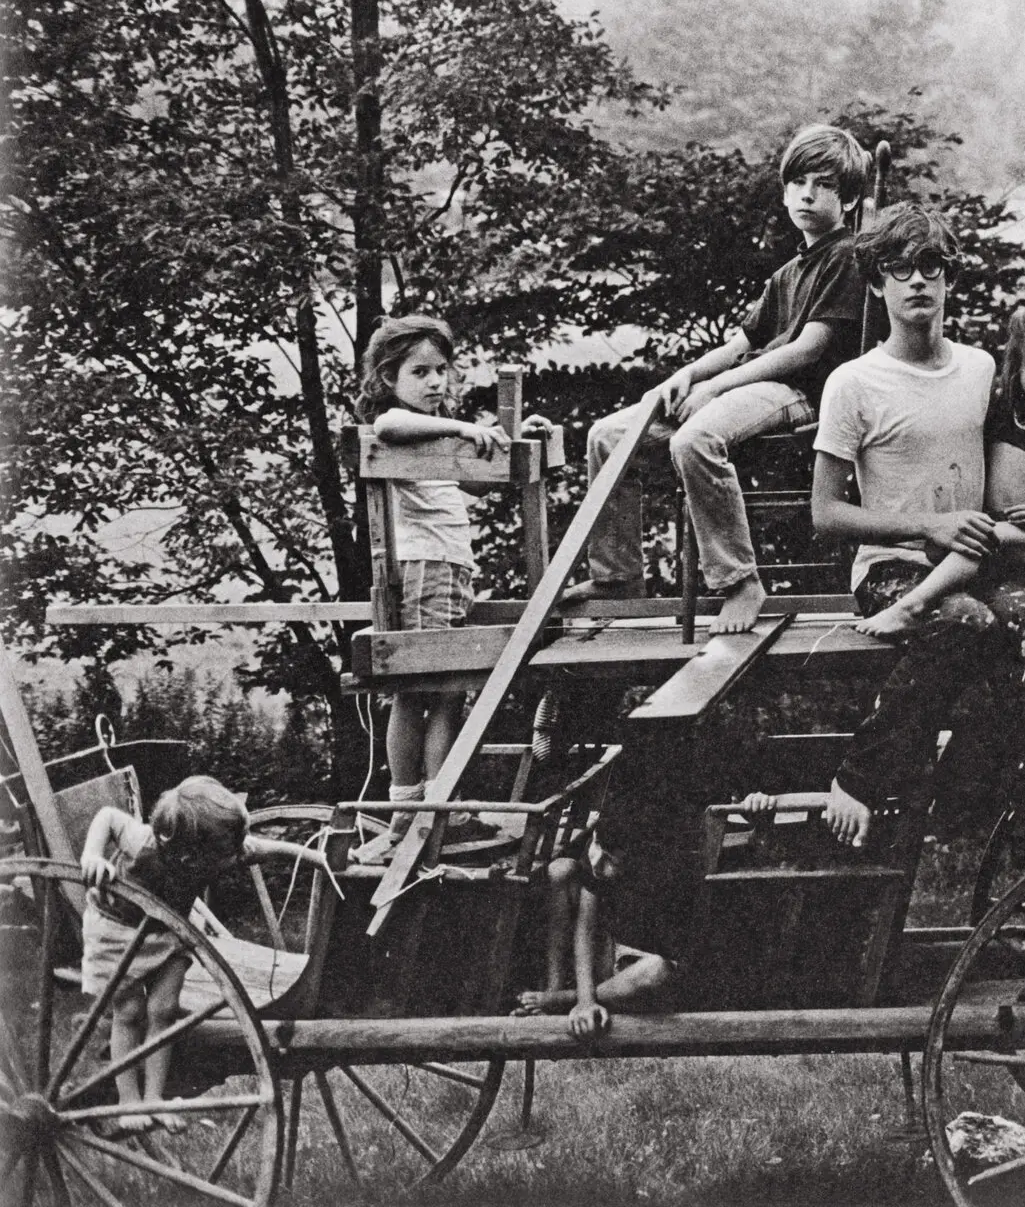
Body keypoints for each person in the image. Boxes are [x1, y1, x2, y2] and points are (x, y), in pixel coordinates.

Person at [809, 204, 1025, 849]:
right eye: (899, 268)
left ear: (949, 279)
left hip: (985, 561)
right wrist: (926, 525)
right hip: (891, 568)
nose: (918, 281)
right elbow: (826, 514)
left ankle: (961, 809)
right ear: (877, 282)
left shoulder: (979, 370)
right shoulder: (853, 383)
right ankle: (859, 778)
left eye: (932, 266)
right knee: (969, 624)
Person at [568, 123, 872, 636]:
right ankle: (617, 577)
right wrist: (682, 378)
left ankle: (739, 582)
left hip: (802, 395)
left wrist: (716, 388)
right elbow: (739, 346)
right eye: (798, 182)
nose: (807, 193)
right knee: (610, 435)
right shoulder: (787, 273)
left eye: (823, 184)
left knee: (696, 437)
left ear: (849, 197)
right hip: (754, 388)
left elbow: (807, 349)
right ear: (783, 191)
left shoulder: (848, 255)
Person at [352, 314, 549, 864]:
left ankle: (428, 809)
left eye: (443, 370)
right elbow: (389, 426)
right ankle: (428, 812)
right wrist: (462, 429)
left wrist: (511, 440)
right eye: (420, 372)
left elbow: (475, 485)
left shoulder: (433, 436)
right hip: (426, 569)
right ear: (390, 378)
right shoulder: (399, 425)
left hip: (447, 570)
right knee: (428, 691)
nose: (436, 382)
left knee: (435, 692)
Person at [79, 777, 327, 1133]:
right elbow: (107, 816)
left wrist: (316, 857)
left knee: (164, 1012)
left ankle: (154, 1099)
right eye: (231, 850)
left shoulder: (217, 850)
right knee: (129, 1012)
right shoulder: (143, 843)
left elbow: (267, 848)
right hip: (118, 931)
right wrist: (92, 855)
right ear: (187, 855)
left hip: (169, 933)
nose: (239, 853)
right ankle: (128, 1102)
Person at [855, 302, 1025, 640]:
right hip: (1000, 535)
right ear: (1017, 367)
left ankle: (912, 605)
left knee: (975, 542)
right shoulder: (1004, 414)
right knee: (961, 545)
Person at [513, 792, 778, 1038]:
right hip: (606, 948)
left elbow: (674, 962)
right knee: (561, 869)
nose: (598, 863)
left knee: (656, 970)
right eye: (598, 849)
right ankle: (554, 989)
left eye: (612, 861)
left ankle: (561, 1000)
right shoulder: (599, 860)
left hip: (636, 967)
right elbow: (585, 929)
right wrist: (585, 1002)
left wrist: (584, 998)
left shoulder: (668, 875)